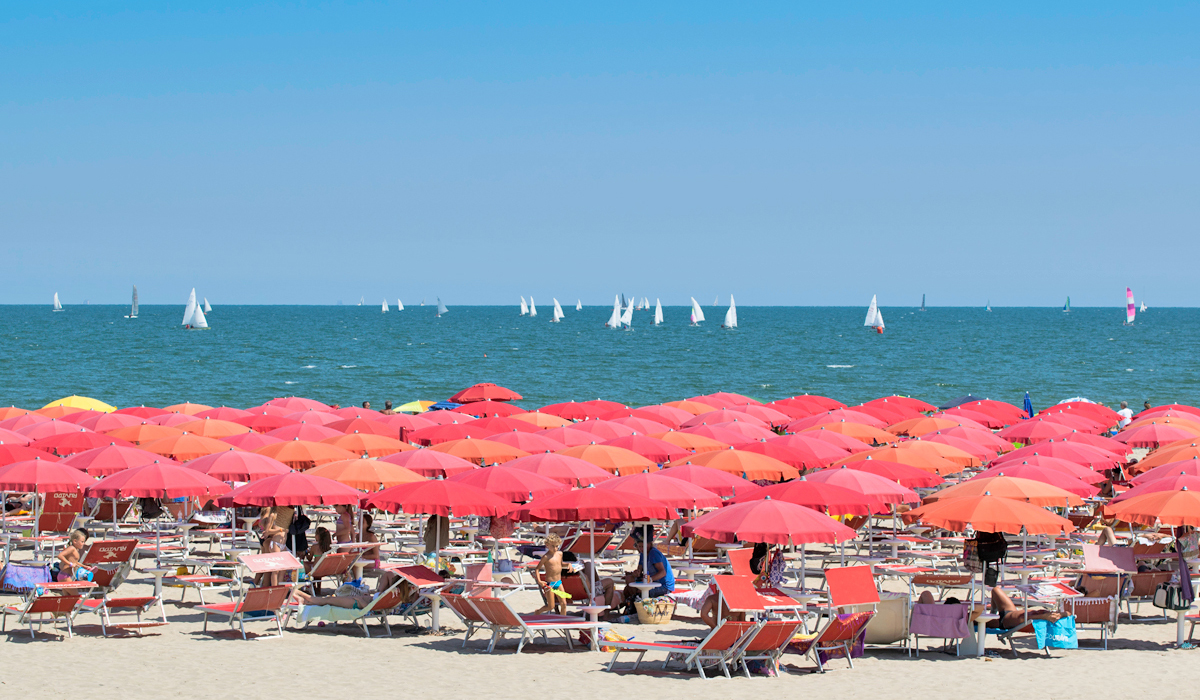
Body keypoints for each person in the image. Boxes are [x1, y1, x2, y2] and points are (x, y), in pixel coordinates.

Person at [603, 526, 674, 612]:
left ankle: (634, 604)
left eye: (643, 546)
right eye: (639, 546)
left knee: (634, 590)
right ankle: (630, 604)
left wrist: (650, 579)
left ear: (649, 544)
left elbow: (663, 572)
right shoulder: (642, 554)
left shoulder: (654, 553)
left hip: (663, 586)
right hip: (651, 582)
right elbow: (639, 571)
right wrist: (633, 574)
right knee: (628, 583)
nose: (641, 549)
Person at [292, 570, 405, 610]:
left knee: (328, 600)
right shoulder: (393, 595)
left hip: (357, 603)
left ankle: (299, 593)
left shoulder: (389, 594)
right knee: (328, 600)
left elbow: (370, 608)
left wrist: (361, 601)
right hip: (360, 600)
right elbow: (388, 575)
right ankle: (305, 601)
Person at [533, 534, 569, 615]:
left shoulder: (560, 554)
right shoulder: (546, 557)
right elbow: (537, 569)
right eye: (553, 546)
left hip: (558, 583)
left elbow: (560, 564)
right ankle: (538, 612)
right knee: (550, 606)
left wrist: (568, 564)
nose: (555, 548)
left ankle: (563, 622)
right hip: (549, 584)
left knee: (564, 604)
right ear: (547, 545)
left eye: (557, 546)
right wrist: (539, 581)